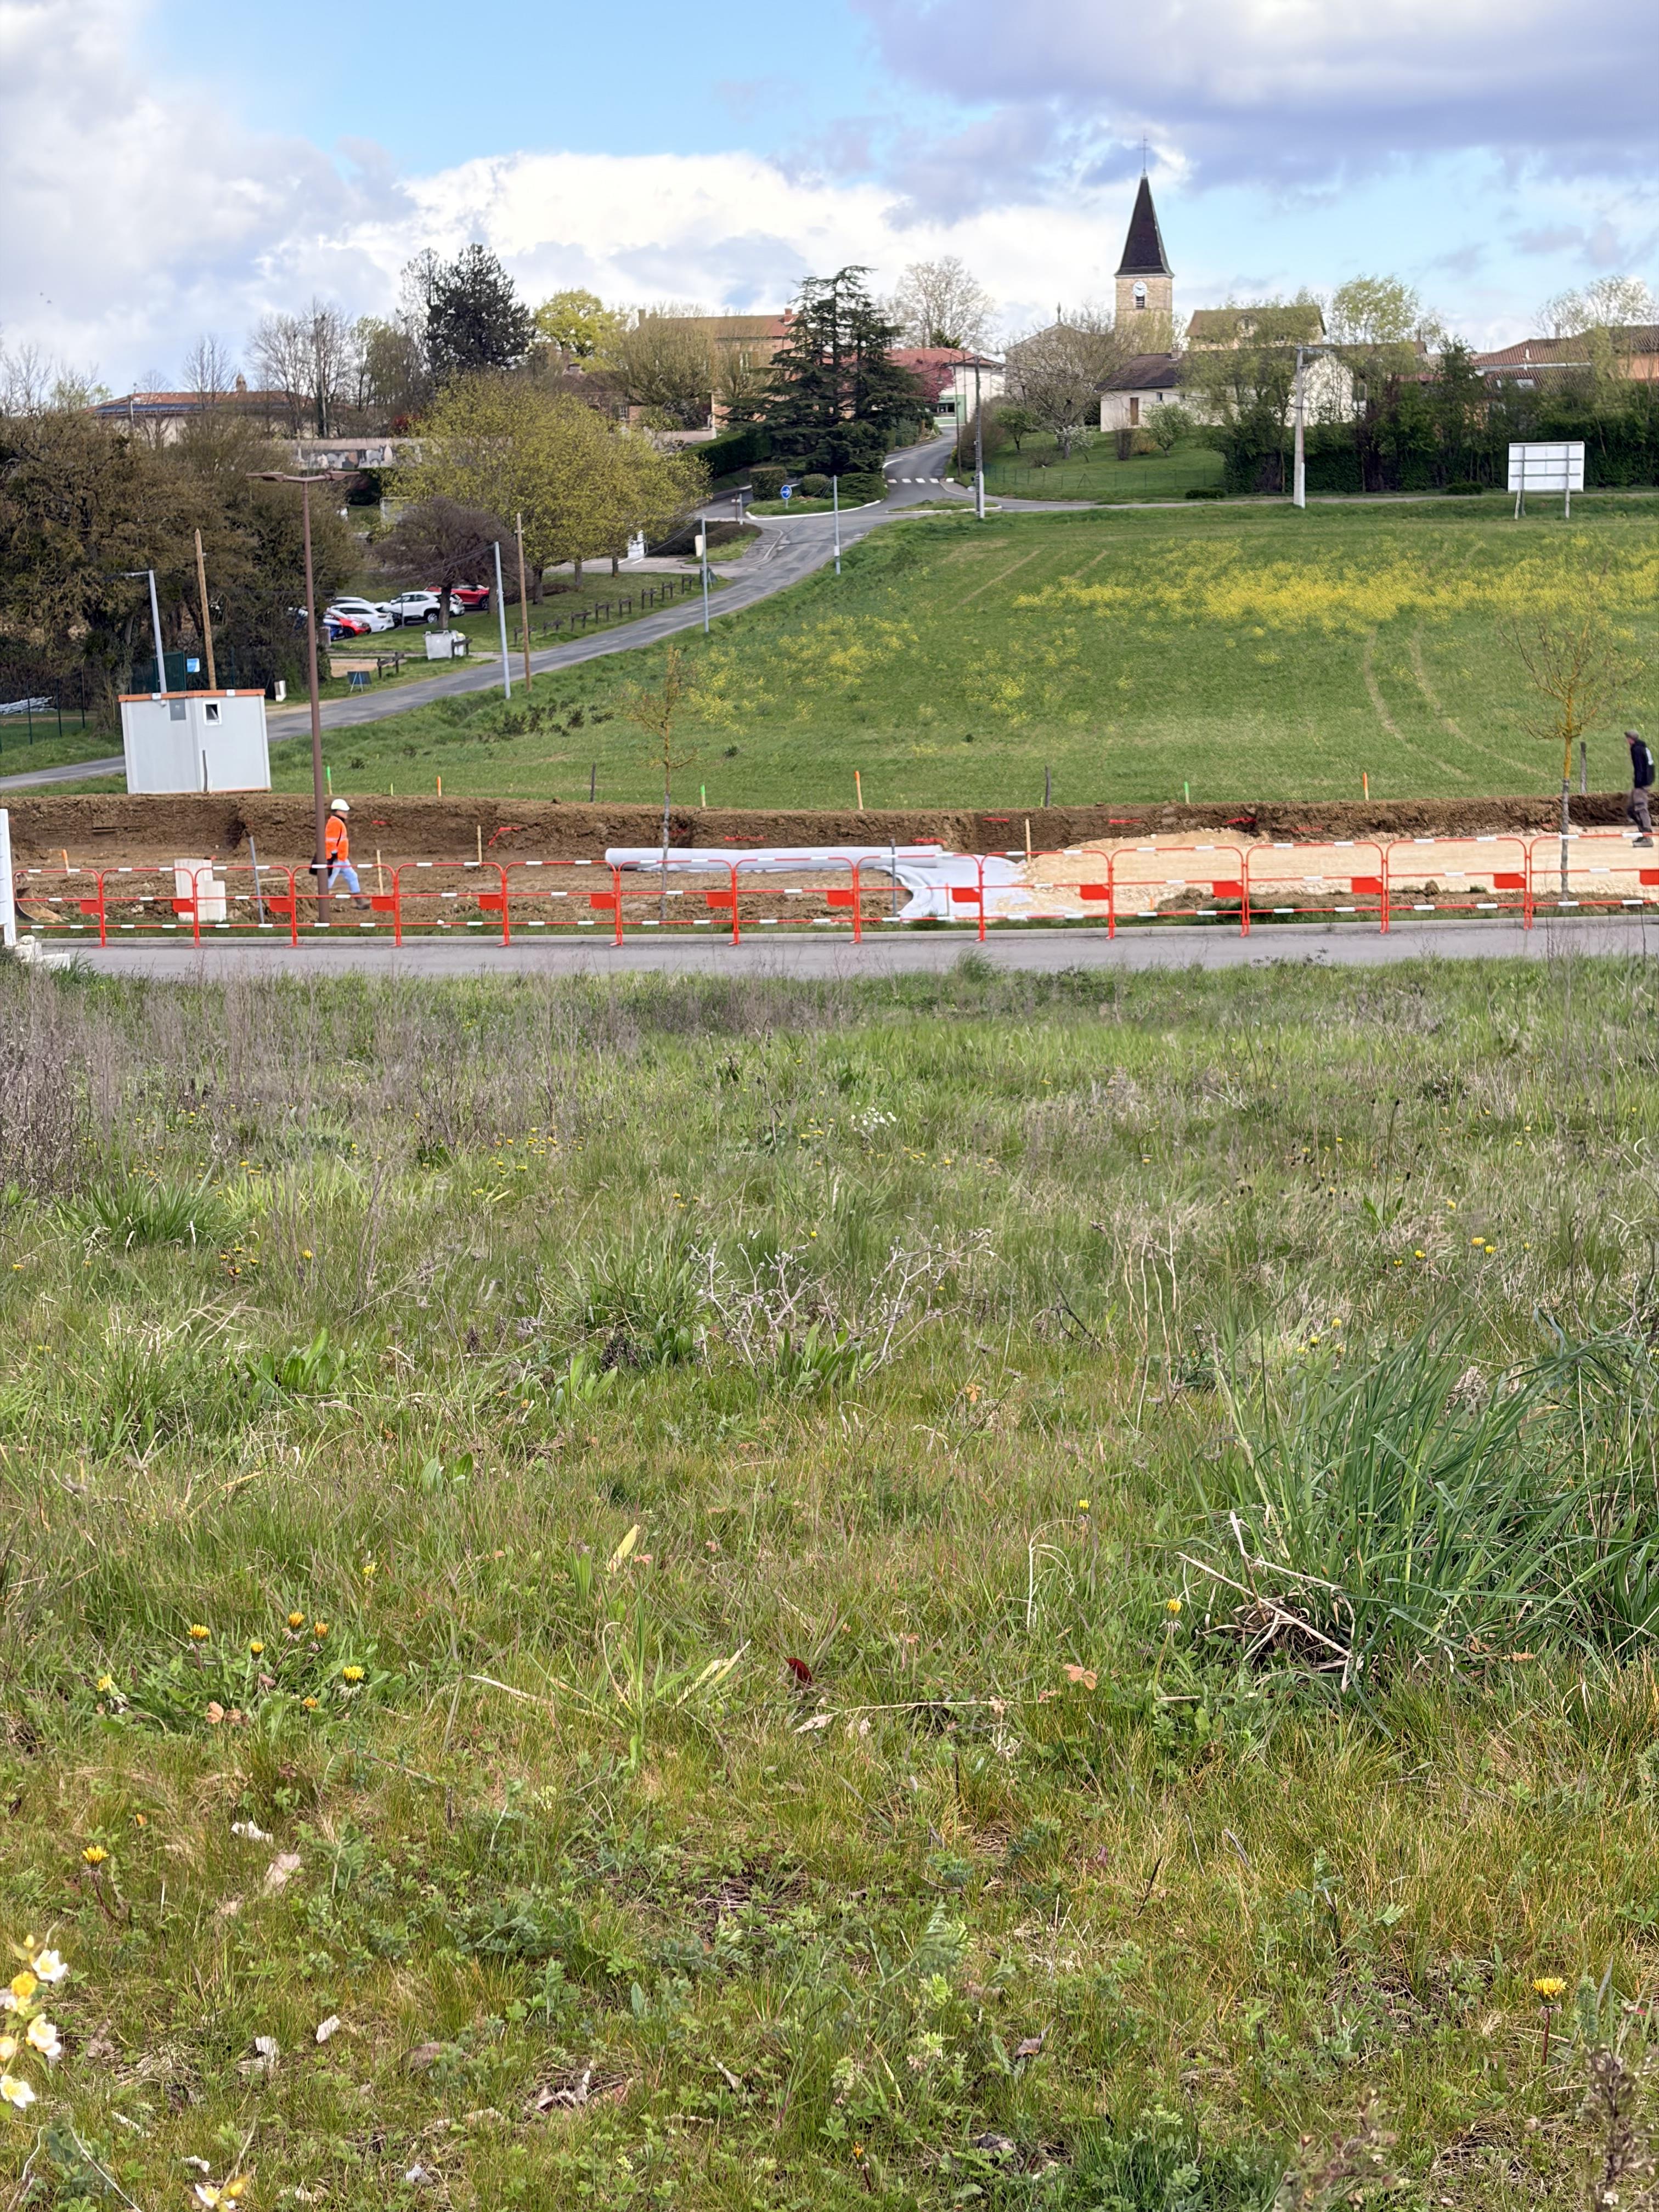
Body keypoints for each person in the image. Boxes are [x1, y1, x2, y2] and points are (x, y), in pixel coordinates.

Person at [323, 799, 364, 895]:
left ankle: (359, 900)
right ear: (338, 811)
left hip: (342, 858)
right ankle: (321, 899)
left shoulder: (337, 822)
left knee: (352, 876)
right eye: (345, 812)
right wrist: (334, 856)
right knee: (329, 881)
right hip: (336, 858)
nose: (347, 814)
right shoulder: (335, 823)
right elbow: (331, 842)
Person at [1628, 730, 1654, 847]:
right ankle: (1643, 834)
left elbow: (1639, 768)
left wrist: (1638, 783)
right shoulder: (1643, 747)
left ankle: (1647, 838)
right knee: (1631, 809)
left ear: (1630, 739)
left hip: (1641, 783)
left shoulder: (1637, 749)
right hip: (1644, 782)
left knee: (1641, 808)